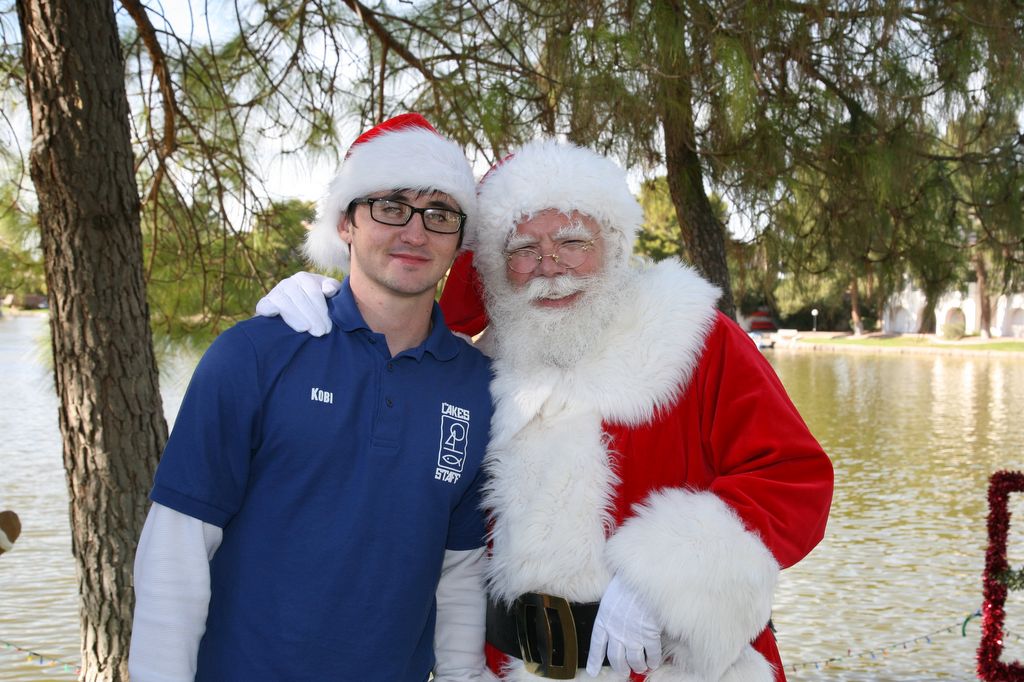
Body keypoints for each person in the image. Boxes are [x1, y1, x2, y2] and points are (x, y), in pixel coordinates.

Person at [259, 140, 834, 681]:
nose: (550, 265)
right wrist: (326, 317)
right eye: (523, 250)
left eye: (573, 242)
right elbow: (374, 458)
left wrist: (666, 578)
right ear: (493, 268)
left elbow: (794, 479)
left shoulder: (692, 338)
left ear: (613, 241)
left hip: (671, 665)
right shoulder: (470, 369)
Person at [129, 113, 495, 682]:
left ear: (458, 239)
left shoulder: (479, 388)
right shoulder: (254, 355)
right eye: (391, 206)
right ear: (346, 222)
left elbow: (461, 572)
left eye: (440, 214)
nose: (416, 232)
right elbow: (174, 554)